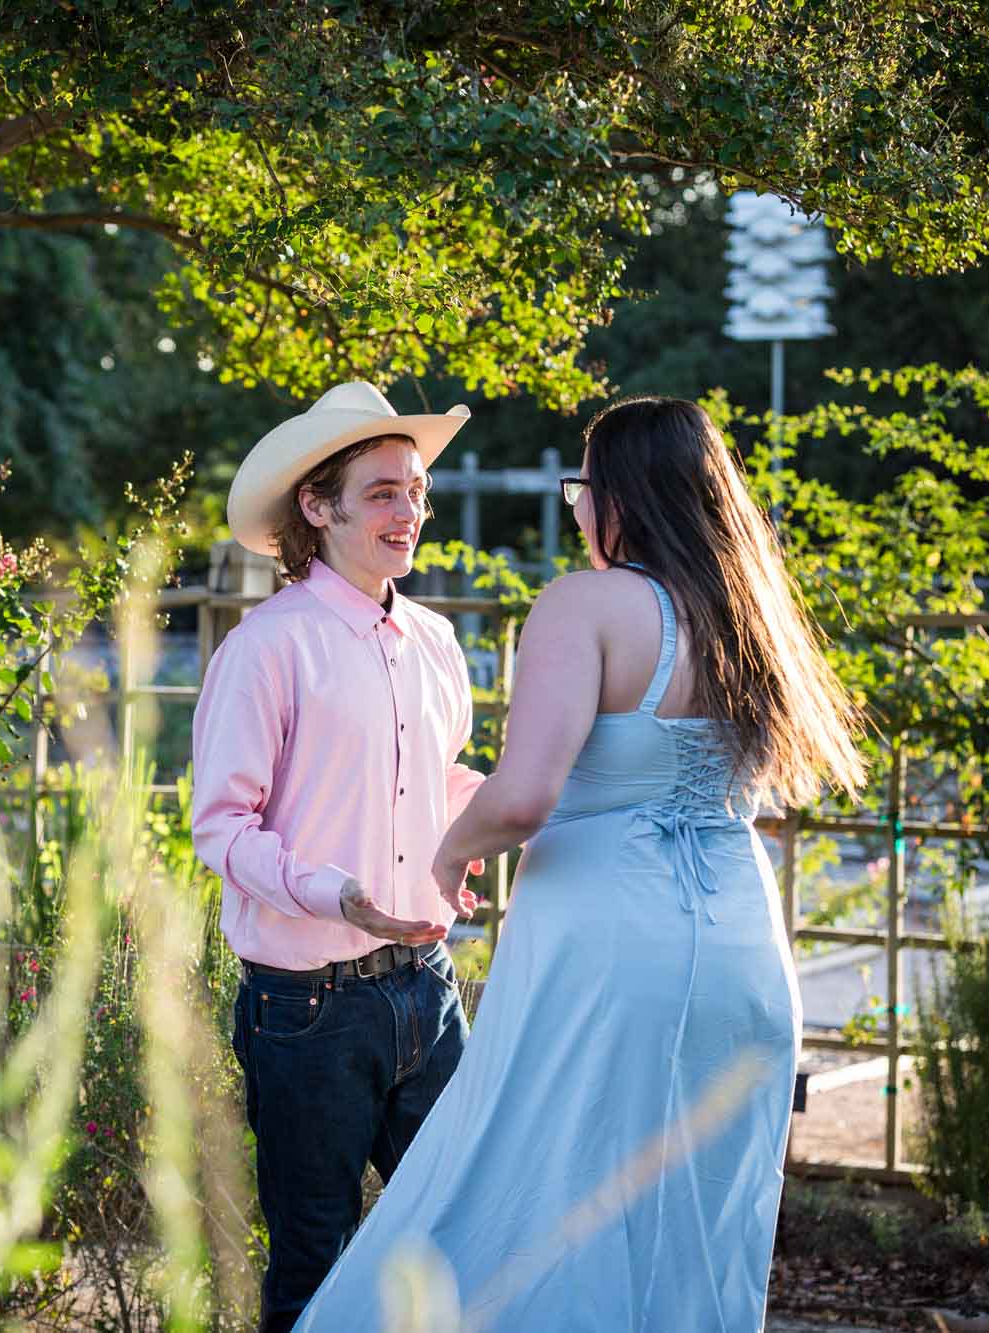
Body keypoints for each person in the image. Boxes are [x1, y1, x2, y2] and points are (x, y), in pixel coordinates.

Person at [293, 396, 867, 1331]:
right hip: (744, 948)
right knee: (698, 1223)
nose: (578, 511)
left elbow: (523, 797)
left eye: (581, 491)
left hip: (608, 948)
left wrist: (449, 852)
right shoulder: (751, 611)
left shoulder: (586, 605)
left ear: (620, 498)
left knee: (540, 1190)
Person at [191, 380, 491, 1333]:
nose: (410, 512)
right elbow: (221, 828)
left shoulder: (437, 642)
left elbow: (436, 779)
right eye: (383, 493)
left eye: (415, 491)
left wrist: (489, 821)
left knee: (456, 1240)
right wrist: (338, 894)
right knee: (315, 1262)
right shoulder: (266, 648)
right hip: (305, 1010)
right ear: (316, 508)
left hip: (429, 987)